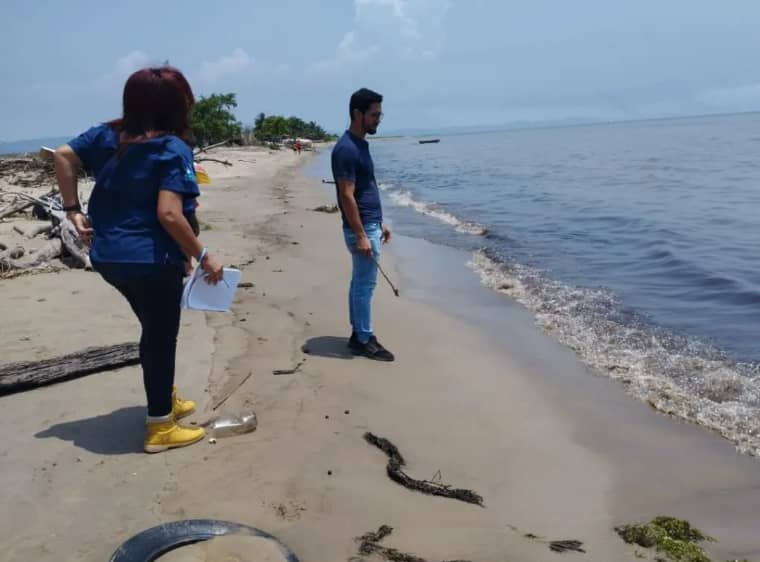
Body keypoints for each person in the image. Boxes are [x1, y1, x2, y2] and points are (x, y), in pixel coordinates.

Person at [54, 66, 224, 453]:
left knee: (152, 328)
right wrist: (202, 256)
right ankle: (160, 427)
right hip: (149, 259)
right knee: (162, 338)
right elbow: (169, 214)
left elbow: (63, 157)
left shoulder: (106, 135)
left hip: (108, 257)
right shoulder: (171, 148)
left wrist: (72, 209)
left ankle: (165, 395)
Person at [331, 88, 394, 361]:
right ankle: (364, 338)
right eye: (374, 114)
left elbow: (366, 187)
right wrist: (361, 234)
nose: (379, 119)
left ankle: (359, 335)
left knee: (360, 282)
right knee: (364, 286)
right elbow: (346, 195)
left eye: (380, 114)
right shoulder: (346, 149)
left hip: (370, 224)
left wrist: (380, 223)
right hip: (361, 228)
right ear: (358, 114)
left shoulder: (359, 145)